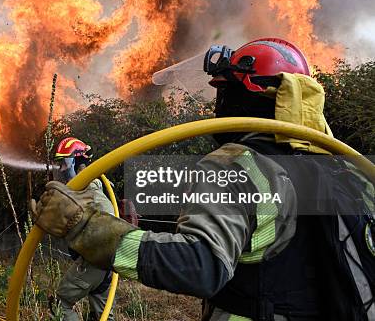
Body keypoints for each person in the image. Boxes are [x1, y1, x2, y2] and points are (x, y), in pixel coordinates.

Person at [31, 38, 374, 321]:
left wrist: (84, 225)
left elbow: (201, 265)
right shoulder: (348, 170)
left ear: (252, 93)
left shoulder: (237, 167)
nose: (218, 105)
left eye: (224, 92)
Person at [50, 137, 116, 321]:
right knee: (101, 316)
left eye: (64, 163)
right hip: (106, 267)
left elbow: (110, 224)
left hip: (94, 263)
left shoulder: (91, 193)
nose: (62, 170)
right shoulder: (87, 190)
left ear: (77, 161)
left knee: (59, 305)